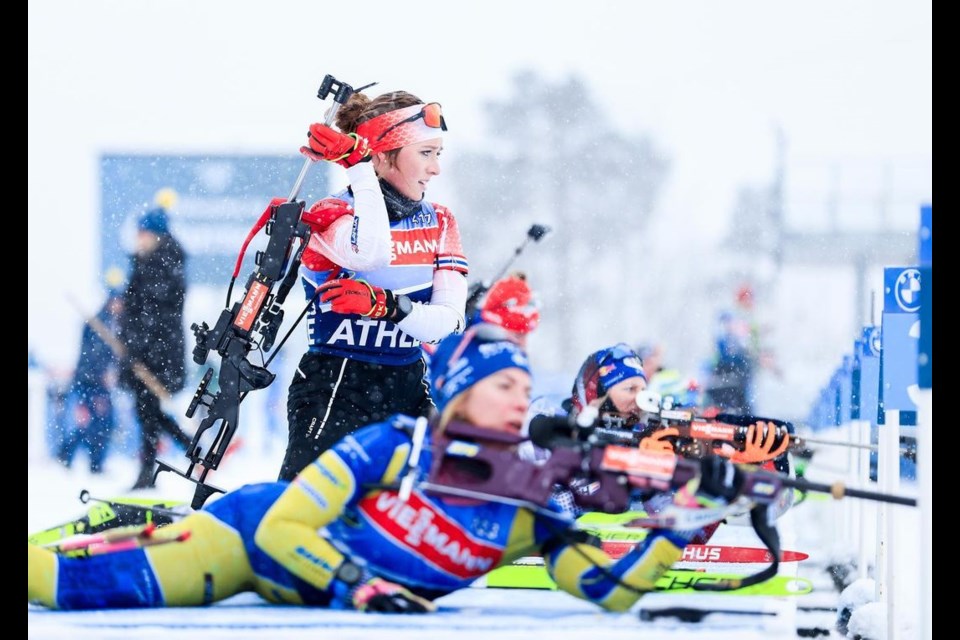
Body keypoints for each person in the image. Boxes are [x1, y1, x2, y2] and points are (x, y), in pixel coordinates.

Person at [28, 329, 749, 614]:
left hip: (305, 580)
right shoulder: (395, 446)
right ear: (462, 391)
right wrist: (360, 586)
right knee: (63, 585)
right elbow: (284, 527)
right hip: (246, 544)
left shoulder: (525, 502)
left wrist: (685, 520)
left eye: (527, 390)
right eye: (505, 385)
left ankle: (144, 527)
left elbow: (611, 589)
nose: (522, 399)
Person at [279, 90, 468, 481]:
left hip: (407, 384)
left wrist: (385, 306)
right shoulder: (331, 214)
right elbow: (370, 253)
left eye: (438, 154)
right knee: (302, 512)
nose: (436, 169)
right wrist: (357, 169)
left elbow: (448, 321)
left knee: (445, 504)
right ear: (382, 155)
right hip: (337, 386)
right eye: (426, 153)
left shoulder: (441, 221)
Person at [118, 205, 193, 490]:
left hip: (156, 354)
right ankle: (186, 448)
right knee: (147, 412)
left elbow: (156, 314)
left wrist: (138, 346)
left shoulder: (162, 263)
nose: (139, 237)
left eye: (144, 232)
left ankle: (151, 470)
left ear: (157, 234)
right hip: (146, 352)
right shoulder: (147, 261)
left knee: (148, 412)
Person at [56, 289, 124, 473]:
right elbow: (92, 355)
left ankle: (89, 460)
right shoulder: (97, 324)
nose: (120, 306)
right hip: (90, 383)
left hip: (98, 383)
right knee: (94, 423)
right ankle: (71, 455)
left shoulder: (113, 324)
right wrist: (101, 374)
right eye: (117, 302)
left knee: (102, 423)